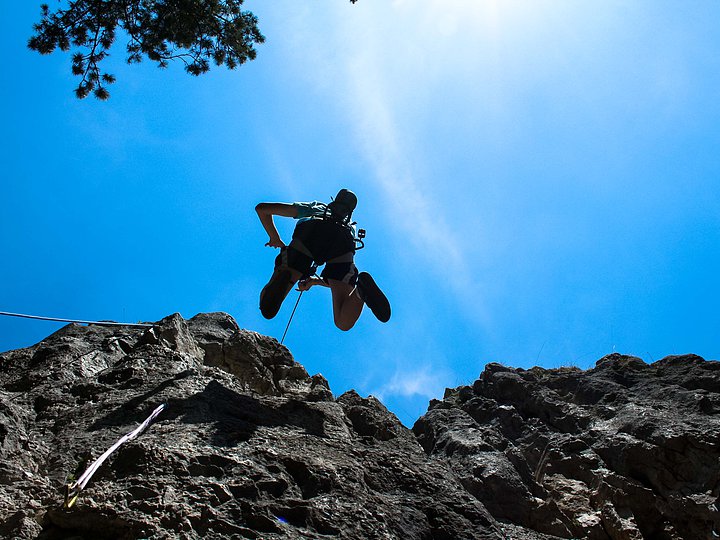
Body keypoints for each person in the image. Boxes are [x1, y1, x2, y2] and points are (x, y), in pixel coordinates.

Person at [256, 189, 390, 331]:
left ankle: (286, 274)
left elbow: (262, 209)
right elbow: (336, 282)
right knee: (342, 322)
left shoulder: (317, 208)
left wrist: (275, 238)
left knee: (268, 308)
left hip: (309, 234)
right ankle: (360, 291)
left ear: (334, 200)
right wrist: (315, 281)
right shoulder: (350, 226)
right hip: (343, 244)